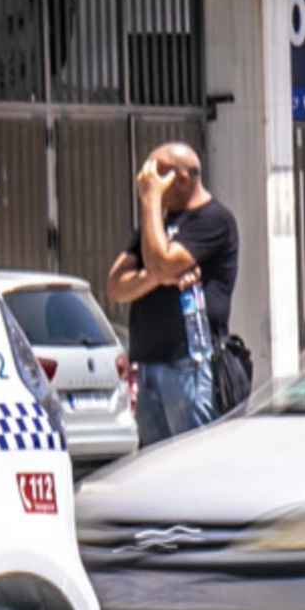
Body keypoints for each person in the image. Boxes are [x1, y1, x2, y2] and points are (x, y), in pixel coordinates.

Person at [104, 142, 240, 447]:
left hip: (188, 365)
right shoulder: (157, 227)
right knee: (155, 467)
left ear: (181, 179)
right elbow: (116, 286)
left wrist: (151, 201)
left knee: (190, 461)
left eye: (156, 175)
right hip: (149, 364)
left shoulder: (214, 220)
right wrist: (158, 276)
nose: (146, 181)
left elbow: (161, 261)